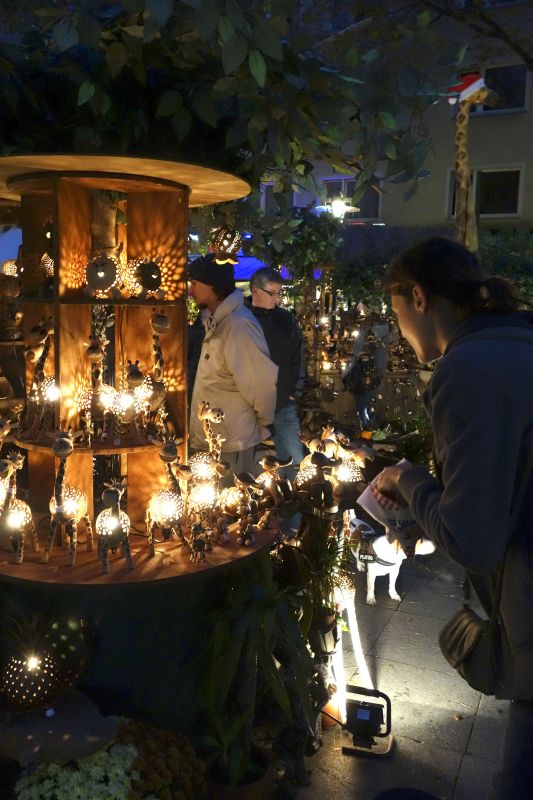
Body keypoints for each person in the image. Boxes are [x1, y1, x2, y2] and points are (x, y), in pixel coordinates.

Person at [374, 237, 533, 800]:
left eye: (396, 314)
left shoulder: (467, 368)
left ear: (418, 298)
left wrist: (407, 480)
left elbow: (472, 539)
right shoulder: (518, 341)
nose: (399, 331)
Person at [188, 254, 278, 478]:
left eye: (195, 284)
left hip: (231, 445)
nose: (191, 291)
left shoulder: (238, 326)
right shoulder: (221, 321)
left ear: (211, 285)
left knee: (232, 497)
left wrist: (264, 424)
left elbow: (261, 385)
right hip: (219, 442)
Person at [248, 267, 306, 480]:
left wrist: (294, 392)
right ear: (255, 290)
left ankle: (294, 499)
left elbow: (299, 355)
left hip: (282, 403)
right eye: (273, 293)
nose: (278, 298)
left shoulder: (286, 319)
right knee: (245, 465)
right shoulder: (241, 319)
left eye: (280, 293)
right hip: (247, 405)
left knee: (294, 462)